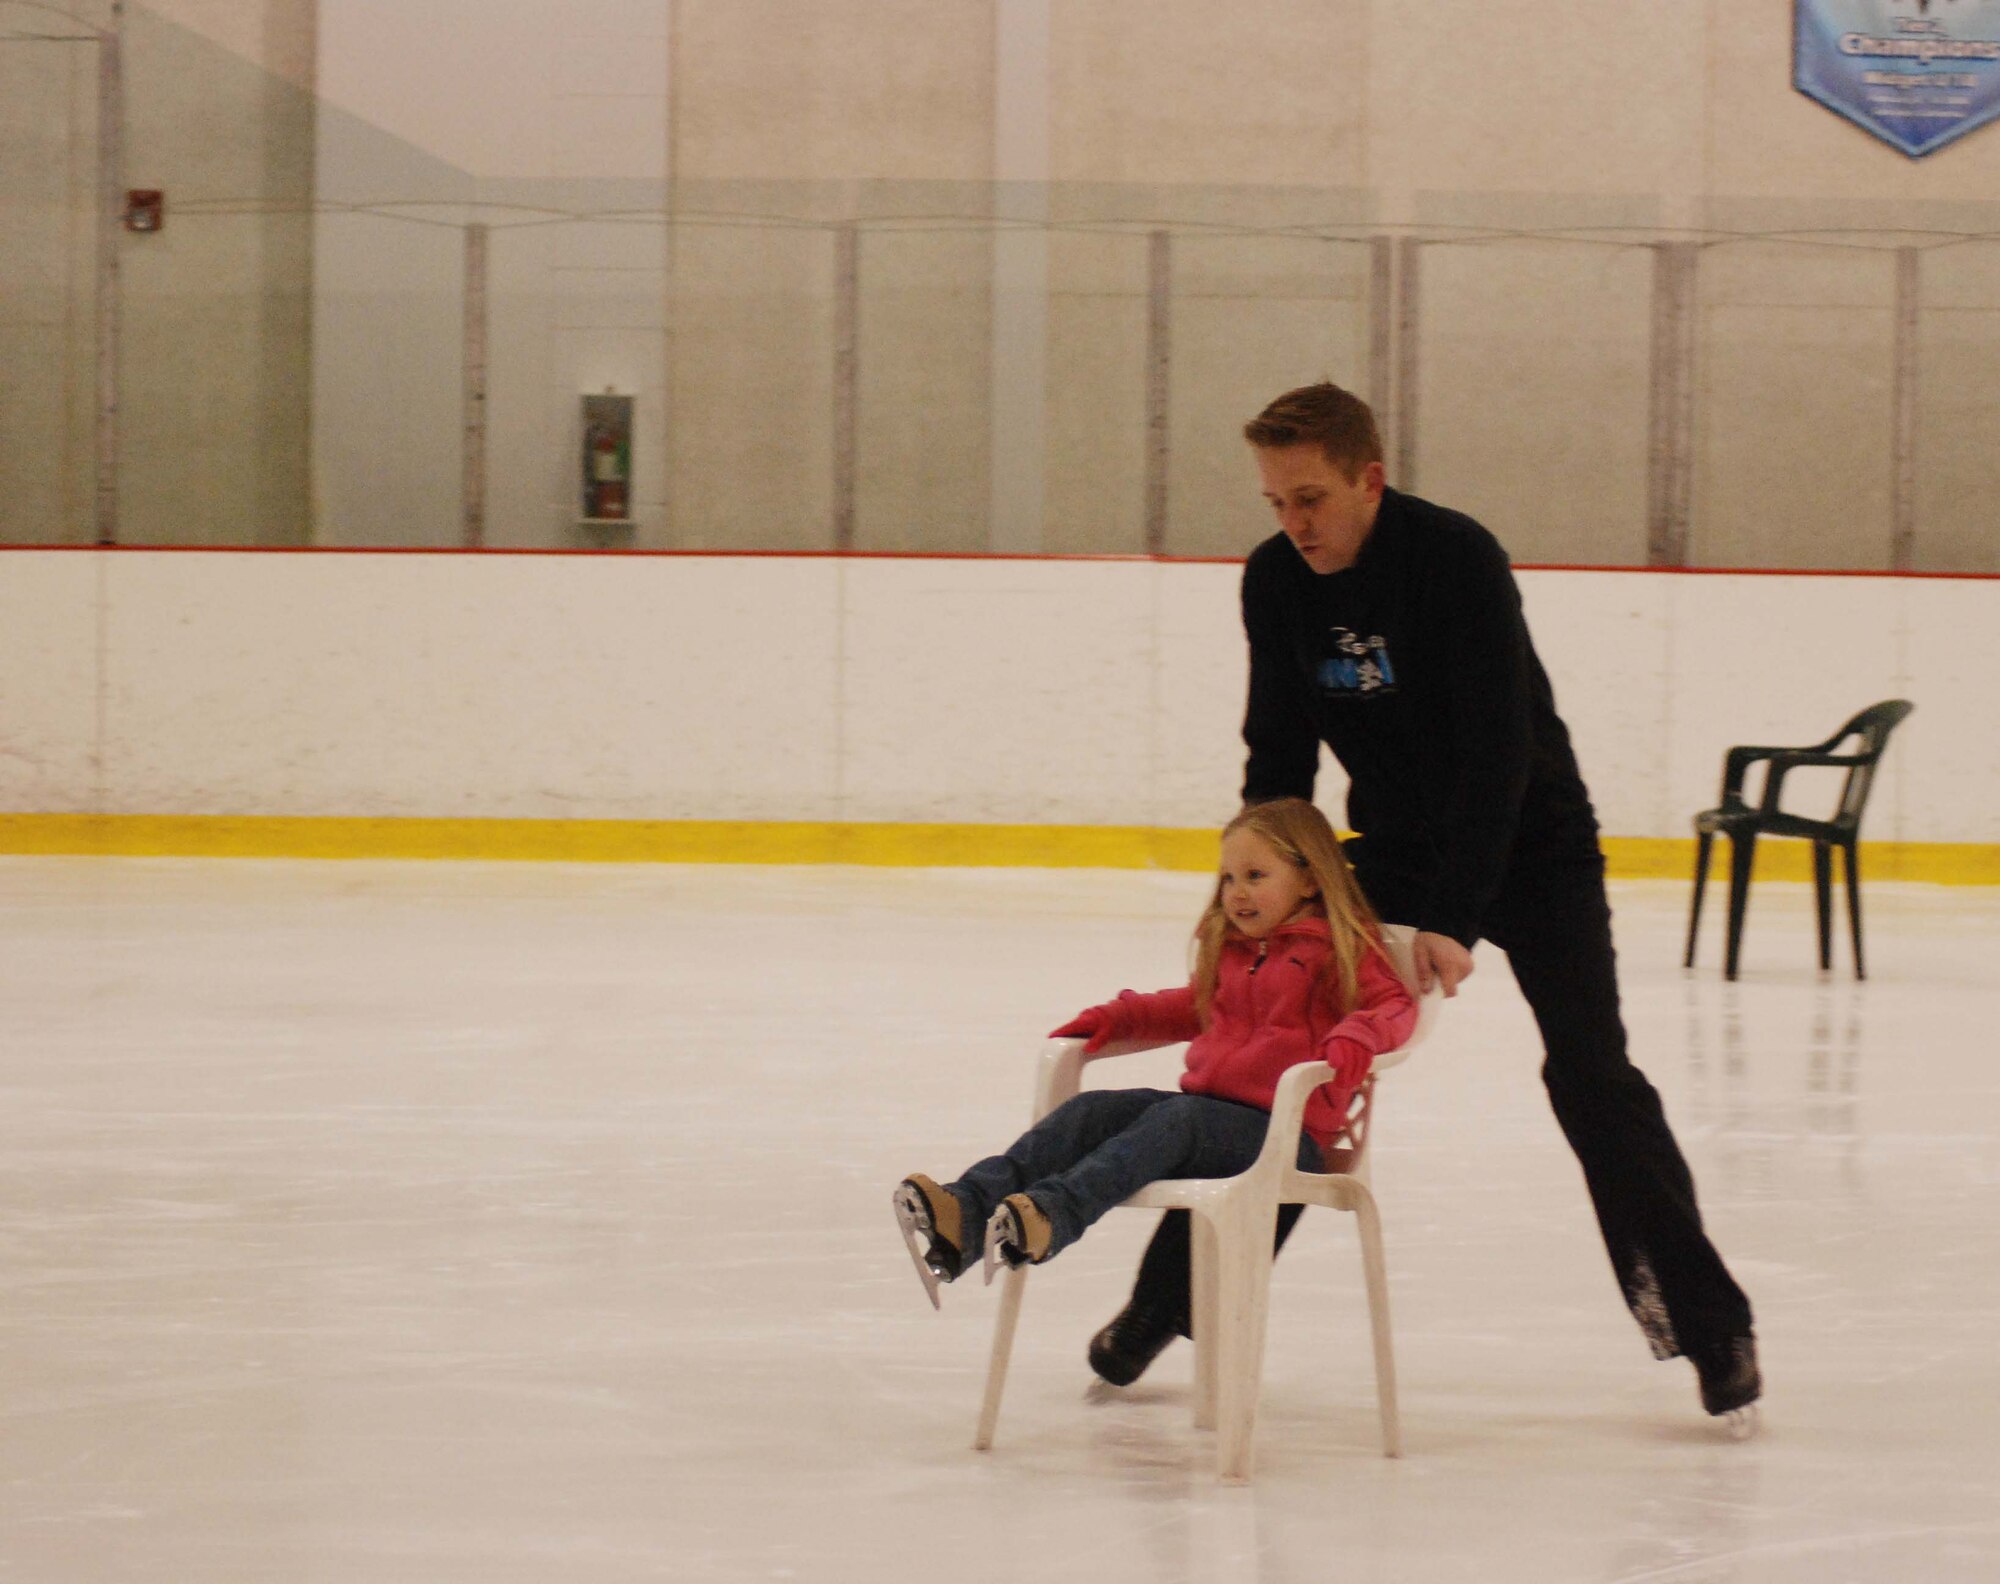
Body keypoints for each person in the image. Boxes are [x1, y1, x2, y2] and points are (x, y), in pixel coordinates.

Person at [1087, 382, 1761, 1431]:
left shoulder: (1455, 558)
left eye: (1309, 498)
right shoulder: (1273, 581)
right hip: (1388, 853)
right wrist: (1256, 888)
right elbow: (1276, 750)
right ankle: (1160, 1307)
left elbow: (1499, 751)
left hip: (1531, 844)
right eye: (1274, 503)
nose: (1292, 524)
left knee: (1590, 1074)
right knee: (1277, 1058)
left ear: (1368, 478)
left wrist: (1451, 912)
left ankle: (1711, 1327)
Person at [892, 799, 1417, 1308]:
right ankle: (965, 1212)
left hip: (1286, 1136)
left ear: (1309, 878)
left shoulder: (1339, 949)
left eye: (1255, 876)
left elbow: (1395, 1005)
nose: (1236, 893)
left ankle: (1053, 1215)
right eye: (1228, 879)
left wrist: (1359, 1036)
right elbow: (1189, 1007)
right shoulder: (1235, 950)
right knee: (1090, 1112)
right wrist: (1120, 1018)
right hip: (1211, 1123)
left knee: (1178, 1118)